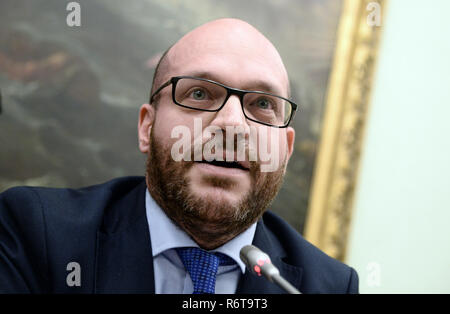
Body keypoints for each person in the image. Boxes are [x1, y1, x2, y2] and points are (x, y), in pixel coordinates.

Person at [0, 18, 358, 294]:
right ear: (146, 127)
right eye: (200, 93)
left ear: (287, 149)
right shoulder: (35, 232)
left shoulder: (326, 286)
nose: (232, 124)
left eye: (262, 104)